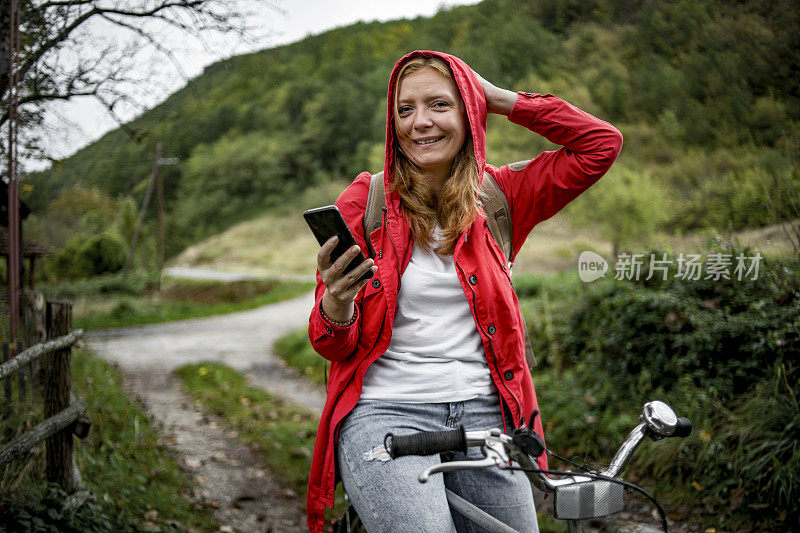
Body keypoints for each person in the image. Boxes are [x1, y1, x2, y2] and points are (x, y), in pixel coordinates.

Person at [306, 50, 622, 533]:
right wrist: (337, 303)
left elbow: (600, 144)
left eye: (439, 104)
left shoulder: (501, 196)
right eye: (405, 110)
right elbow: (330, 343)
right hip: (386, 412)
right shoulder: (365, 201)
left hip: (486, 415)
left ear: (467, 112)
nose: (420, 123)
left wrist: (499, 98)